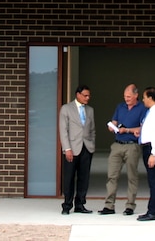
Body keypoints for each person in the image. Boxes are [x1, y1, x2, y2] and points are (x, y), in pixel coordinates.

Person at [99, 84, 147, 216]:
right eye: (125, 96)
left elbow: (143, 128)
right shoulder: (120, 106)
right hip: (117, 144)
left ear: (136, 95)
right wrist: (112, 125)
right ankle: (109, 206)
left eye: (129, 96)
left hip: (132, 145)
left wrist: (127, 130)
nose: (126, 99)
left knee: (132, 176)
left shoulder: (142, 108)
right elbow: (115, 121)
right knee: (112, 175)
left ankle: (130, 206)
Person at [58, 84, 96, 215]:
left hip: (87, 147)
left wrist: (92, 144)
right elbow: (63, 130)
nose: (87, 98)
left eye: (89, 95)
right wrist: (67, 148)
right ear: (78, 95)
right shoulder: (66, 109)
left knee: (84, 178)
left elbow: (92, 130)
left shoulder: (90, 110)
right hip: (72, 148)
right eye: (85, 95)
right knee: (69, 178)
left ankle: (80, 204)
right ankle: (67, 205)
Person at [137, 86, 155, 222]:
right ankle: (154, 210)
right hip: (148, 147)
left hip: (153, 148)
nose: (143, 99)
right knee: (153, 180)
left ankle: (153, 212)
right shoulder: (152, 112)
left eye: (144, 97)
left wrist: (153, 153)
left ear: (150, 97)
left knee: (154, 180)